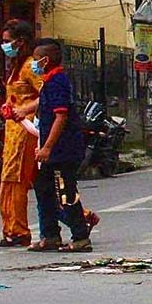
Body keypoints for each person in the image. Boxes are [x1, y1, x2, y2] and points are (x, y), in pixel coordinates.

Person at [26, 40, 94, 252]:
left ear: (46, 60)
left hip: (63, 150)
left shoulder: (58, 82)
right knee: (43, 189)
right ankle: (50, 235)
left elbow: (60, 116)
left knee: (65, 192)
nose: (34, 64)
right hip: (52, 150)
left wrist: (47, 147)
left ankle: (81, 237)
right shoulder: (49, 80)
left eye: (36, 60)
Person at [0, 19, 40, 248]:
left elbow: (48, 93)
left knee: (19, 181)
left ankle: (19, 230)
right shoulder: (16, 67)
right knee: (9, 181)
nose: (4, 46)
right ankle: (11, 229)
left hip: (26, 132)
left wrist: (24, 110)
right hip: (12, 133)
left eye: (7, 42)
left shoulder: (32, 66)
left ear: (20, 42)